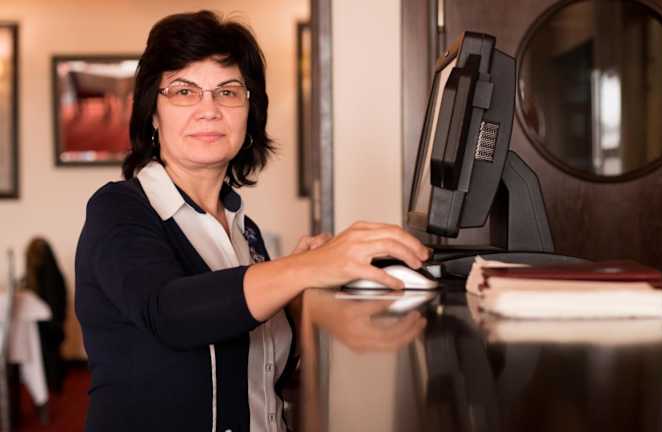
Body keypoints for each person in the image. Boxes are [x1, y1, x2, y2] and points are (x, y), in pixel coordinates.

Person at [74, 10, 429, 432]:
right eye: (184, 91)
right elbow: (170, 313)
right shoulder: (117, 210)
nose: (209, 109)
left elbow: (260, 367)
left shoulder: (245, 231)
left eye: (228, 92)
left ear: (249, 110)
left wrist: (297, 294)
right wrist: (304, 268)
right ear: (153, 112)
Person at [24, 237, 68, 393]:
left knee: (48, 355)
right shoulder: (54, 272)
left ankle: (51, 385)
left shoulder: (42, 274)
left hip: (47, 325)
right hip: (54, 323)